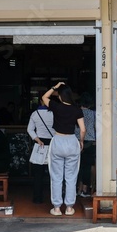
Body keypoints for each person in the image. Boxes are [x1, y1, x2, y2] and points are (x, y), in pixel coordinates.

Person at [42, 82, 85, 216]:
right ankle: (69, 208)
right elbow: (83, 129)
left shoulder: (56, 106)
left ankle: (56, 208)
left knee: (56, 176)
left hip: (58, 141)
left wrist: (55, 87)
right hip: (72, 141)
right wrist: (81, 141)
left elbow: (44, 97)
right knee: (71, 177)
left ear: (60, 95)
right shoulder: (77, 109)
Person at [27, 98, 56, 204]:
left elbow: (29, 129)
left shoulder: (35, 114)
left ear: (40, 101)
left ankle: (37, 198)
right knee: (55, 174)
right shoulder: (55, 113)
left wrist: (37, 139)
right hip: (53, 144)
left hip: (40, 144)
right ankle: (55, 199)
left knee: (38, 174)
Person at [76, 92, 96, 197]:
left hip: (76, 141)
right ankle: (85, 189)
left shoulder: (75, 112)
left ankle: (76, 189)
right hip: (89, 142)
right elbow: (97, 127)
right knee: (87, 166)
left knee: (76, 167)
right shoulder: (93, 114)